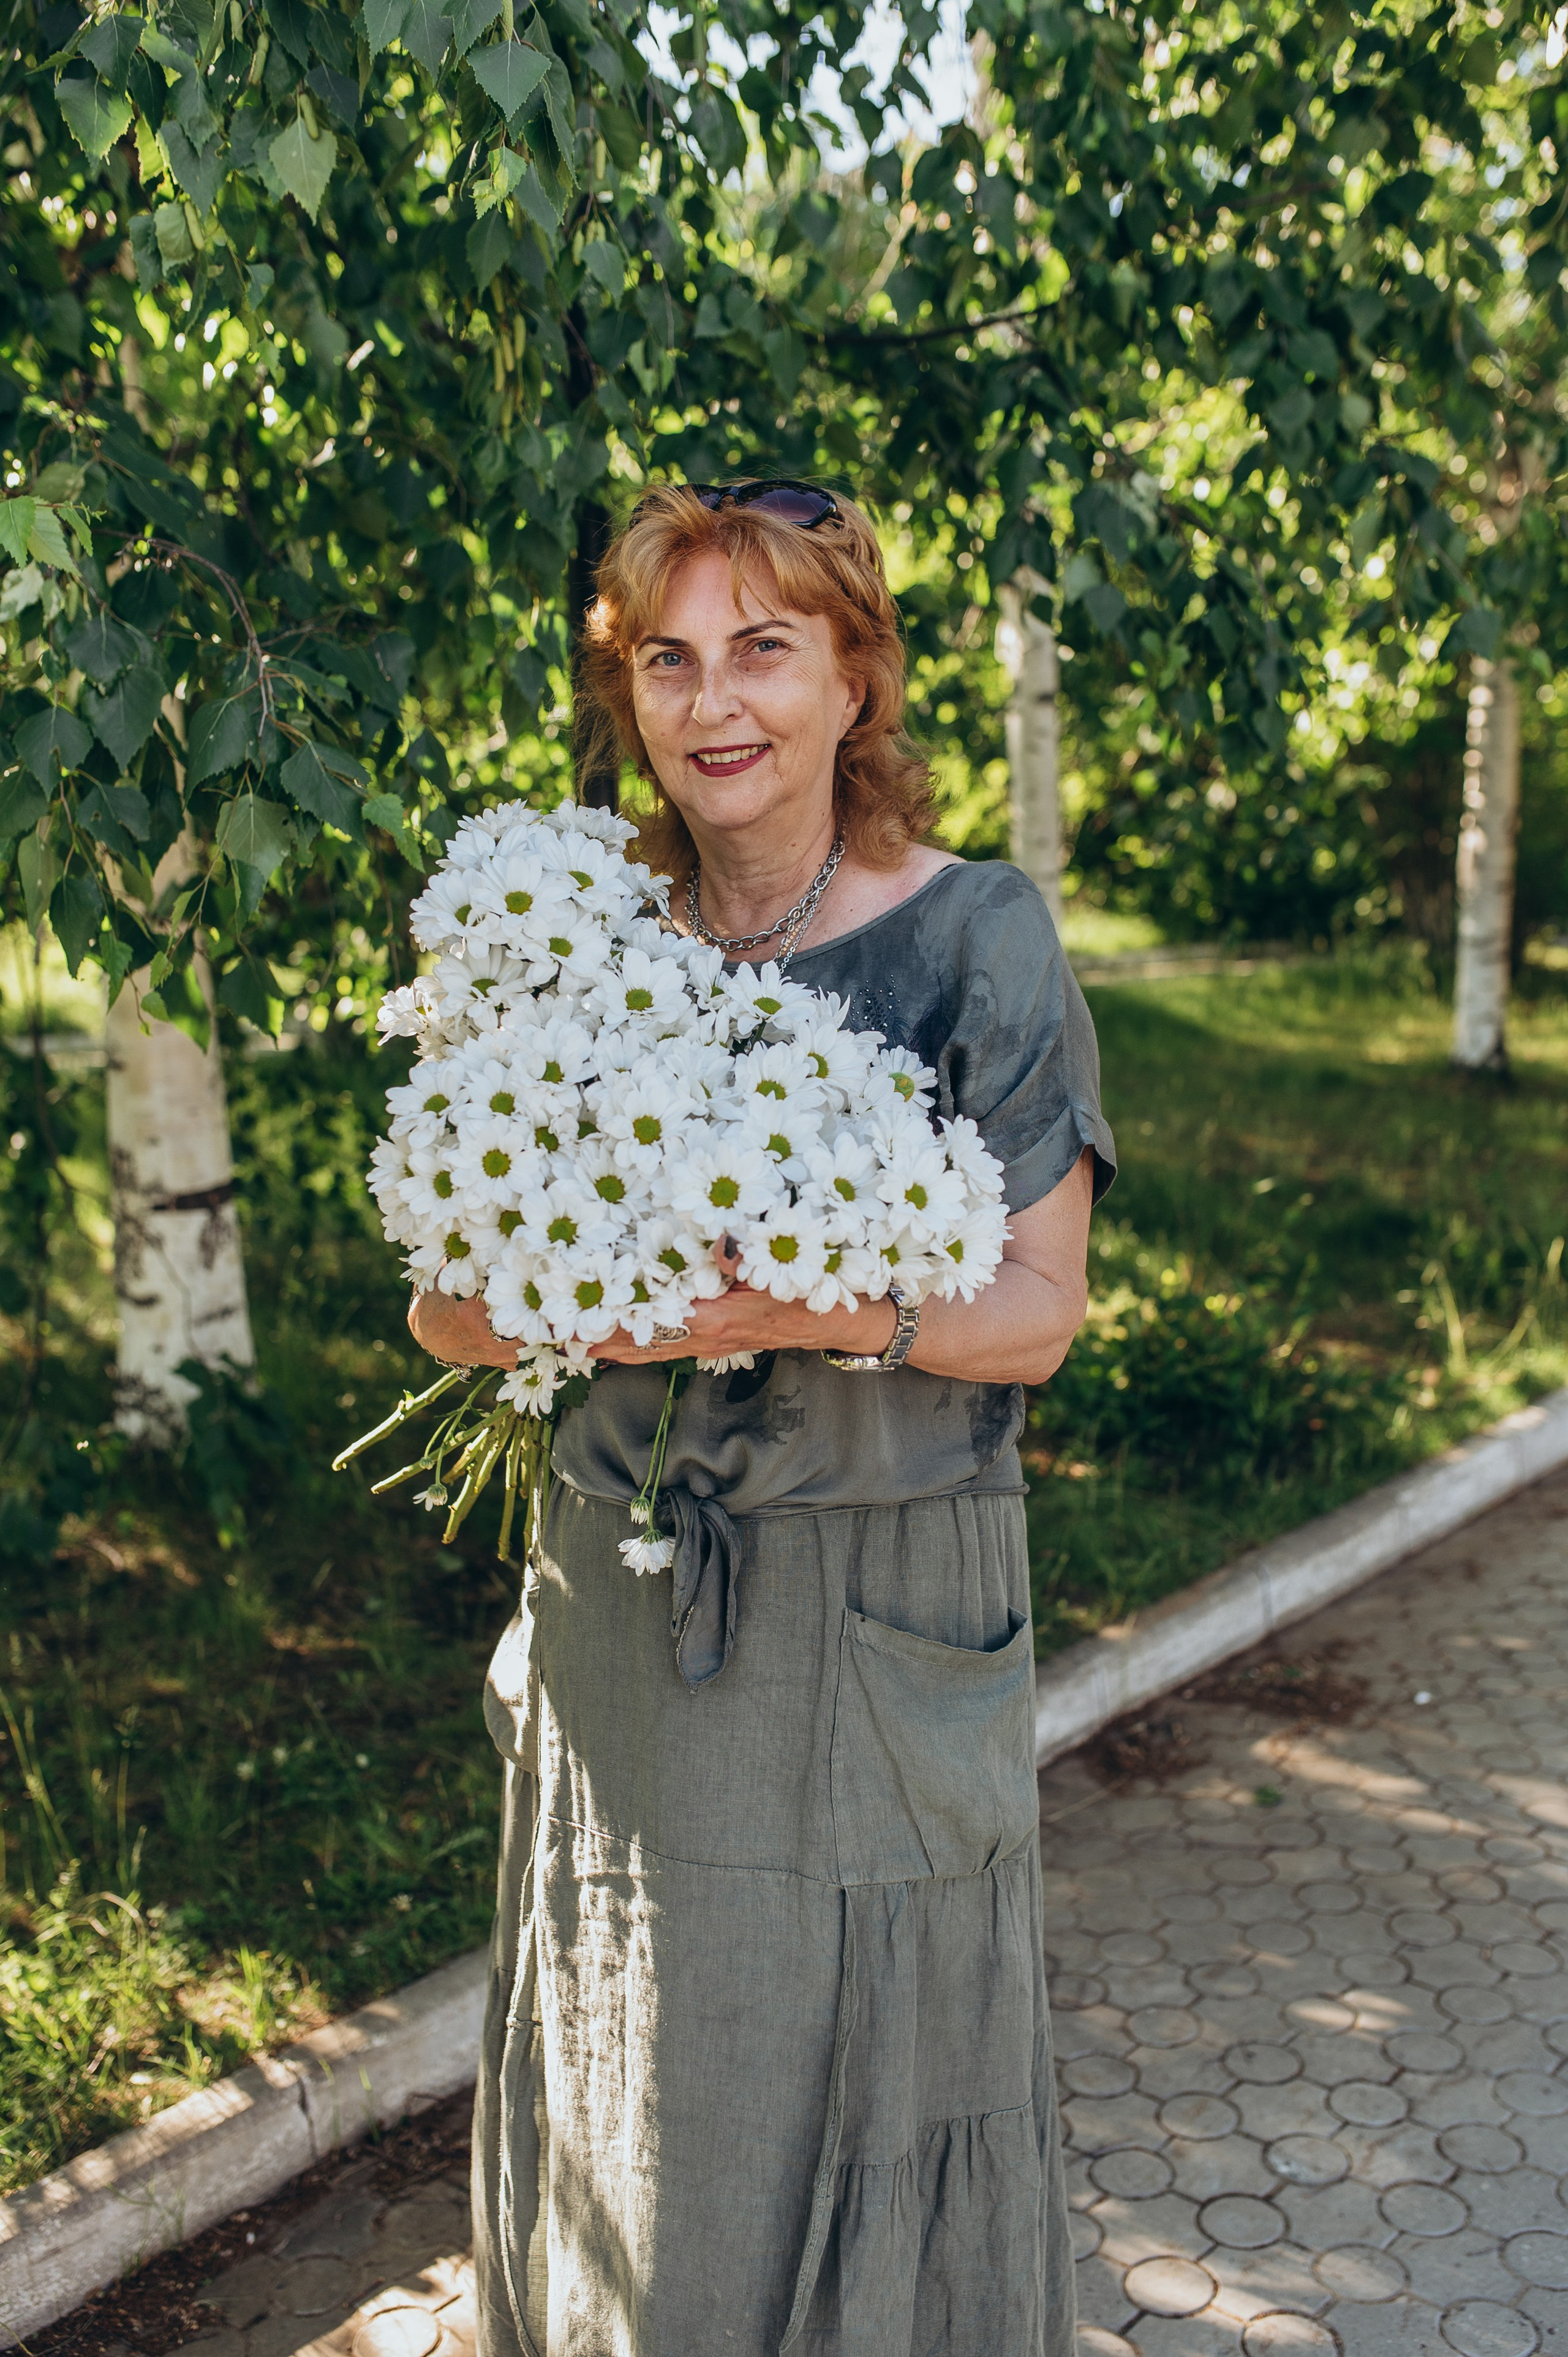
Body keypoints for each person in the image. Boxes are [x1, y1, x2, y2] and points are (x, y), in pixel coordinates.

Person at [409, 480, 1117, 2356]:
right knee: (643, 2082)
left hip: (881, 1619)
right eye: (669, 658)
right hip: (629, 1613)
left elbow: (1037, 1317)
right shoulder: (573, 939)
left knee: (863, 2069)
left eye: (765, 650)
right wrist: (607, 1277)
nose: (716, 701)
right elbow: (441, 1302)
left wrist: (825, 1305)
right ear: (628, 695)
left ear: (855, 678)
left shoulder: (979, 940)